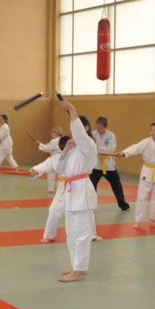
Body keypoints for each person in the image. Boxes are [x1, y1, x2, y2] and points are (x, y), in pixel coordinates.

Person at [54, 101, 97, 282]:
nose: (73, 134)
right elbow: (59, 169)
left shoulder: (88, 146)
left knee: (81, 234)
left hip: (82, 192)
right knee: (71, 233)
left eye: (76, 130)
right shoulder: (72, 148)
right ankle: (76, 266)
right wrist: (65, 151)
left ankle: (80, 270)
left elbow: (79, 132)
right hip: (71, 193)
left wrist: (72, 110)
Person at [116, 122, 155, 229]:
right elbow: (135, 148)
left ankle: (152, 217)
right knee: (142, 197)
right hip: (147, 171)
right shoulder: (146, 142)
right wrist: (124, 153)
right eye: (151, 130)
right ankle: (138, 220)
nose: (153, 132)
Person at [29, 135, 71, 244]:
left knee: (84, 213)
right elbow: (45, 165)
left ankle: (91, 235)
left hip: (79, 188)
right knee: (53, 212)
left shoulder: (79, 156)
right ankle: (49, 235)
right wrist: (35, 170)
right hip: (62, 188)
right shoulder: (56, 157)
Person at [90, 117, 130, 211]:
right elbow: (90, 147)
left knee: (117, 186)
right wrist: (99, 148)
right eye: (97, 127)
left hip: (109, 165)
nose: (98, 129)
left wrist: (97, 148)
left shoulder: (111, 136)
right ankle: (91, 206)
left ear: (106, 126)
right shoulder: (93, 134)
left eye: (100, 127)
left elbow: (110, 150)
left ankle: (123, 205)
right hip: (96, 165)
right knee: (91, 186)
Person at [36, 127, 63, 193]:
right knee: (61, 174)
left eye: (52, 133)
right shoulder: (62, 139)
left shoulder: (54, 141)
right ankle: (61, 189)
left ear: (56, 133)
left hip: (56, 159)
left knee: (51, 172)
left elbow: (47, 148)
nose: (51, 134)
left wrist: (39, 144)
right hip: (63, 158)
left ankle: (51, 189)